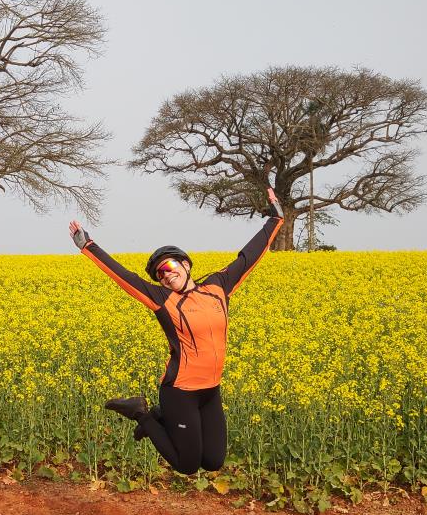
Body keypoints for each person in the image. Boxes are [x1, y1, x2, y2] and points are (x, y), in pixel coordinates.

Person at [68, 187, 284, 475]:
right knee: (187, 465)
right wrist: (88, 246)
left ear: (185, 264)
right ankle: (142, 414)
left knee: (214, 461)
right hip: (180, 391)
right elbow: (124, 277)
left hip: (210, 389)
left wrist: (275, 219)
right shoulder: (162, 300)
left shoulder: (218, 286)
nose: (167, 275)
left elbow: (249, 256)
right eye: (160, 274)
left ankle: (159, 417)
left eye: (169, 267)